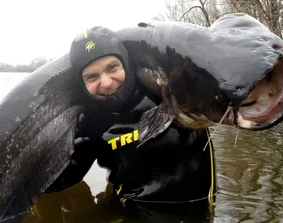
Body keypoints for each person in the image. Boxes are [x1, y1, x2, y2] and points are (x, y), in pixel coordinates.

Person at [30, 26, 218, 222]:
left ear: (126, 63)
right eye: (92, 77)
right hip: (128, 209)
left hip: (198, 210)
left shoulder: (169, 94)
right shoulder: (91, 122)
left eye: (112, 68)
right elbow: (65, 177)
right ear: (82, 83)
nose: (107, 82)